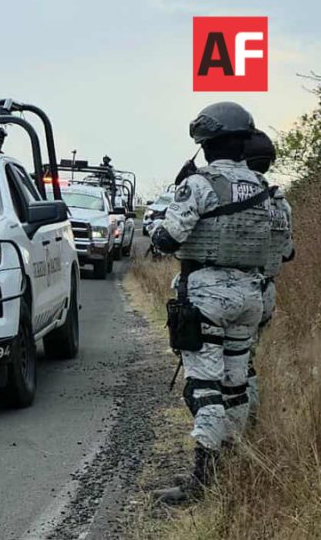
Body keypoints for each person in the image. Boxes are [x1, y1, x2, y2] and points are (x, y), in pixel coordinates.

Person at [150, 102, 273, 504]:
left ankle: (203, 479)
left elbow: (167, 239)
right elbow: (281, 250)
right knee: (236, 385)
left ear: (205, 145)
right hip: (250, 297)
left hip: (207, 298)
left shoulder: (199, 184)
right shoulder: (266, 188)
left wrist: (165, 211)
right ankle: (236, 465)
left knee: (204, 389)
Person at [242, 130, 294, 416]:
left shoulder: (241, 197)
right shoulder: (279, 202)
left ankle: (239, 420)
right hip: (267, 290)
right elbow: (289, 252)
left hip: (240, 286)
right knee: (248, 358)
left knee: (231, 361)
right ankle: (251, 416)